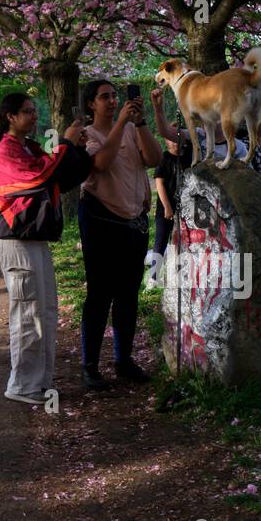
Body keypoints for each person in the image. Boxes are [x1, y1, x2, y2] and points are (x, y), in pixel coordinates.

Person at [0, 92, 91, 404]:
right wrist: (64, 144)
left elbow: (60, 177)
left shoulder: (26, 147)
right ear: (10, 117)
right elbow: (37, 178)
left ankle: (38, 383)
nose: (33, 116)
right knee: (28, 313)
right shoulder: (4, 152)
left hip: (33, 238)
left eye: (33, 110)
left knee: (45, 311)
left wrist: (77, 151)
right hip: (15, 239)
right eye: (26, 112)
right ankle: (21, 385)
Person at [78, 78, 163, 390]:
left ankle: (123, 360)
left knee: (128, 293)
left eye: (115, 96)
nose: (112, 101)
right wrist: (123, 123)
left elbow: (154, 159)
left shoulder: (130, 128)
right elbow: (100, 162)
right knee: (100, 294)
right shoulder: (86, 135)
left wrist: (139, 122)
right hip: (101, 220)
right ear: (91, 104)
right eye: (104, 97)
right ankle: (90, 365)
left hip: (133, 221)